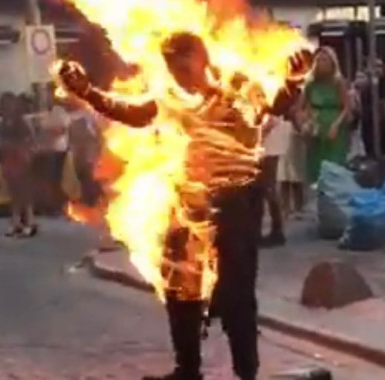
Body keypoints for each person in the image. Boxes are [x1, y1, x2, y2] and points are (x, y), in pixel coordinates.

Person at [56, 31, 310, 380]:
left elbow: (276, 103)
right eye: (171, 65)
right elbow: (130, 112)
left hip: (235, 203)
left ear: (202, 58)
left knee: (236, 294)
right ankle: (187, 369)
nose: (176, 72)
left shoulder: (237, 90)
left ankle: (246, 373)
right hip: (187, 204)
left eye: (182, 62)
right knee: (180, 290)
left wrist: (294, 80)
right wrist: (87, 92)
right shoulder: (168, 99)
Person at [302, 46, 352, 184]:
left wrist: (336, 125)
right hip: (317, 126)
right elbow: (304, 105)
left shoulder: (338, 82)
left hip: (334, 125)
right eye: (318, 60)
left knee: (333, 164)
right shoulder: (310, 83)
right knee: (316, 164)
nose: (321, 63)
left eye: (325, 60)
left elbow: (347, 107)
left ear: (332, 63)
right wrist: (308, 122)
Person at [0, 93, 37, 238]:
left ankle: (29, 223)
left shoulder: (22, 123)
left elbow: (30, 141)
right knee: (13, 195)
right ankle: (15, 222)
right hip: (9, 162)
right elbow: (0, 142)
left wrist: (26, 153)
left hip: (21, 161)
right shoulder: (3, 124)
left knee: (25, 194)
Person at [36, 101, 71, 215]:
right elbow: (49, 129)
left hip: (59, 151)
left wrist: (53, 130)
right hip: (49, 152)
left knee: (57, 180)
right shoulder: (46, 114)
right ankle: (52, 206)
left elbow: (61, 130)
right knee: (51, 180)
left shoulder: (61, 113)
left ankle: (57, 206)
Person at [259, 113, 289, 247]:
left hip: (269, 143)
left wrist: (259, 135)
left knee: (268, 186)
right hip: (269, 141)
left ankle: (277, 230)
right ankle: (275, 229)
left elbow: (270, 119)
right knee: (265, 187)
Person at [279, 90, 307, 219]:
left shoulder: (298, 100)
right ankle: (291, 208)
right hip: (285, 140)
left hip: (292, 140)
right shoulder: (291, 105)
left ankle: (295, 208)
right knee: (287, 177)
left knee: (293, 177)